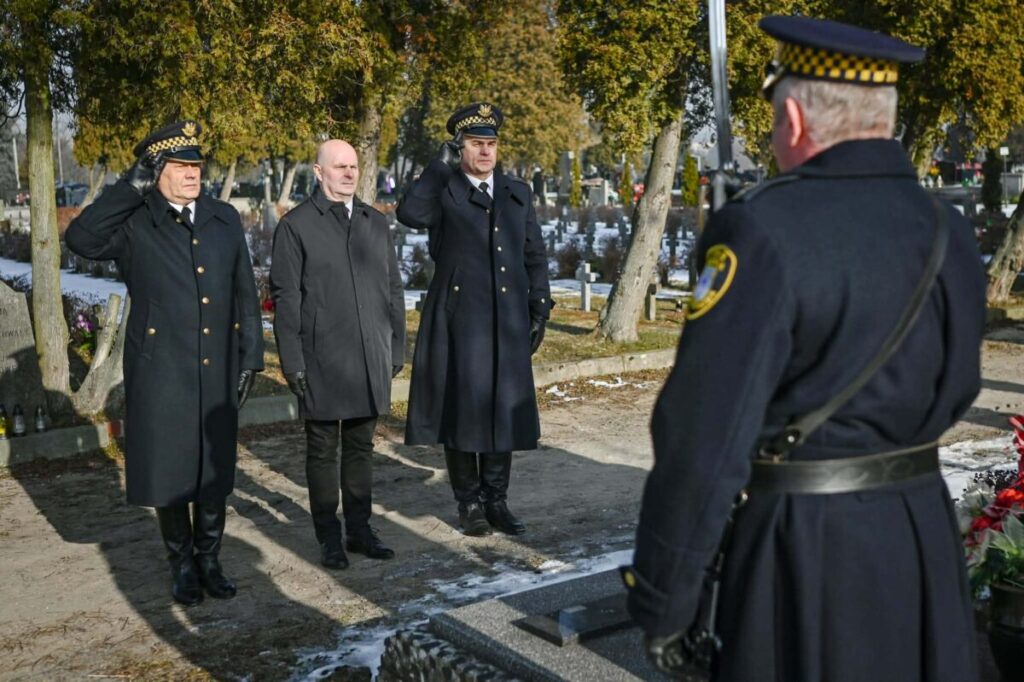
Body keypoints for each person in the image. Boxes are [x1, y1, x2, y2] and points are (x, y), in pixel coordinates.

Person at [622, 16, 984, 682]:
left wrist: (665, 598)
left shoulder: (760, 230)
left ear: (791, 117)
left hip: (805, 549)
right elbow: (960, 385)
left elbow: (704, 439)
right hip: (920, 537)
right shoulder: (948, 232)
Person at [65, 121, 265, 606]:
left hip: (216, 362)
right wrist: (128, 187)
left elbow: (244, 292)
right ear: (156, 172)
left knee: (213, 469)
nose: (192, 173)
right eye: (180, 166)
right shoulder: (136, 220)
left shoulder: (222, 218)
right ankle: (181, 565)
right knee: (171, 468)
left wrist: (251, 358)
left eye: (196, 165)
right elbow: (82, 240)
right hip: (161, 367)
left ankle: (211, 559)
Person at [397, 102, 552, 536]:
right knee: (462, 414)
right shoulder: (443, 190)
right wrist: (436, 166)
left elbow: (533, 254)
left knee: (503, 411)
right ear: (459, 147)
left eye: (491, 143)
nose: (485, 152)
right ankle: (468, 504)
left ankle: (496, 500)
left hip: (507, 320)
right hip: (460, 320)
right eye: (476, 144)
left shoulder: (517, 192)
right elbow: (409, 214)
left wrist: (540, 307)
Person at [270, 140, 406, 569]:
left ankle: (361, 530)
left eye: (353, 166)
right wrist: (292, 362)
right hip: (322, 357)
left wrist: (395, 345)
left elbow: (394, 289)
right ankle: (329, 538)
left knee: (361, 447)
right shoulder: (296, 226)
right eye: (339, 166)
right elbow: (286, 299)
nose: (348, 173)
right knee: (323, 450)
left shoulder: (374, 222)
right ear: (319, 171)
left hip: (370, 355)